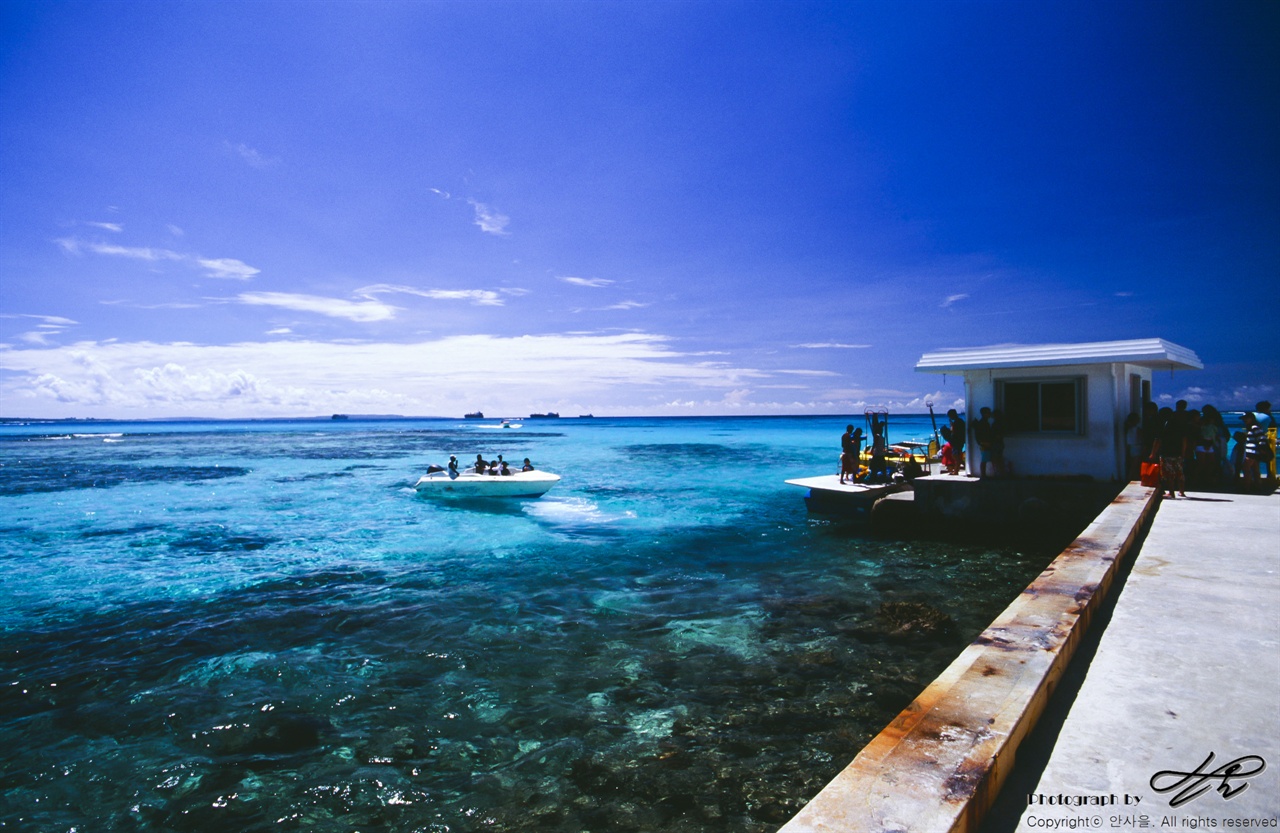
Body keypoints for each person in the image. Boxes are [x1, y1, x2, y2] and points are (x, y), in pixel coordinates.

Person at [1150, 407, 1187, 498]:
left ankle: (1171, 492)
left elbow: (1158, 440)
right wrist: (1183, 451)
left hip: (1166, 453)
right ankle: (1181, 491)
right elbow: (1184, 439)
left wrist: (1153, 453)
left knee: (1168, 474)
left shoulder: (1163, 425)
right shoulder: (1179, 425)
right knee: (1180, 472)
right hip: (1178, 452)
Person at [974, 407, 995, 477]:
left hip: (985, 443)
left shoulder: (984, 422)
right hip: (984, 444)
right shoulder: (983, 423)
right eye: (988, 412)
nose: (990, 414)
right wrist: (982, 443)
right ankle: (983, 475)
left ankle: (985, 474)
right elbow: (980, 435)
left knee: (986, 459)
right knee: (984, 460)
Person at [945, 409, 966, 475]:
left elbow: (953, 431)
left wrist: (951, 425)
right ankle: (958, 469)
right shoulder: (960, 421)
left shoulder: (957, 422)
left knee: (955, 456)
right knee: (957, 456)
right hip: (959, 441)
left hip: (957, 441)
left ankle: (956, 471)